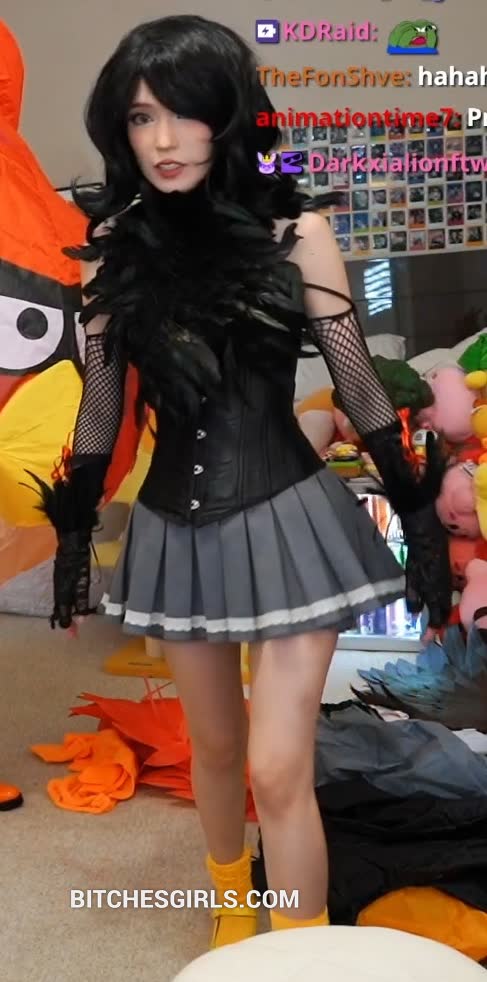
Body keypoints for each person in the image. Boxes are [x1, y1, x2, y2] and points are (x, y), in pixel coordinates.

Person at [27, 15, 451, 949]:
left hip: (289, 520)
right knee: (215, 749)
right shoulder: (114, 252)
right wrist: (73, 528)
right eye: (141, 118)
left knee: (274, 764)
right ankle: (232, 915)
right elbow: (101, 405)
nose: (164, 139)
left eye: (185, 113)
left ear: (228, 117)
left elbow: (355, 383)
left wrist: (417, 514)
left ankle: (301, 950)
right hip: (175, 530)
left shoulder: (296, 233)